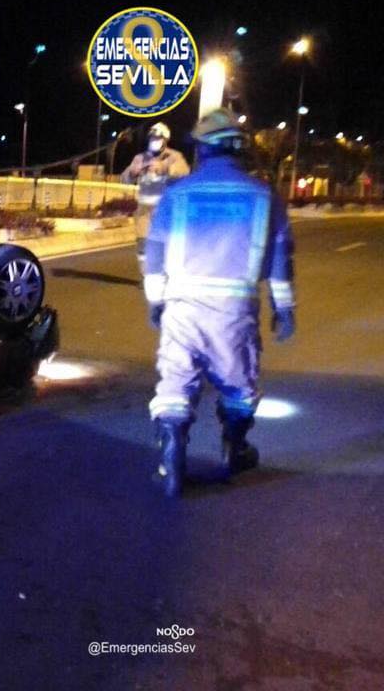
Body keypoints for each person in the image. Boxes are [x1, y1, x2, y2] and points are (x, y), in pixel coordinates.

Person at [143, 109, 295, 497]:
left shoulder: (177, 195)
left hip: (182, 307)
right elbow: (280, 262)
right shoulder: (265, 198)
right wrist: (284, 310)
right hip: (234, 313)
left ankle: (173, 446)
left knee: (176, 383)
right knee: (238, 387)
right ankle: (234, 448)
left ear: (201, 150)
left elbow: (155, 253)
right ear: (239, 150)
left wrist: (156, 301)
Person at [122, 122, 189, 270]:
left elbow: (184, 173)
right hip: (144, 209)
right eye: (152, 138)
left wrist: (165, 168)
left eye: (158, 138)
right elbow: (125, 177)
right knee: (142, 242)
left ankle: (166, 271)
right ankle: (146, 274)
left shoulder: (174, 157)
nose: (154, 141)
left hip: (165, 209)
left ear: (165, 140)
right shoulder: (140, 158)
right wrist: (132, 172)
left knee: (164, 243)